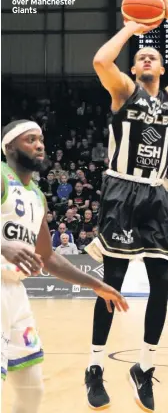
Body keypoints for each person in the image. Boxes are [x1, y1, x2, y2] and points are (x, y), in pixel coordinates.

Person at [85, 0, 168, 412]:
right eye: (141, 56)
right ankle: (95, 366)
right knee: (110, 285)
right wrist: (133, 27)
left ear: (161, 66)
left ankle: (144, 368)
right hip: (120, 191)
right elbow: (101, 60)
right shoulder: (123, 92)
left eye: (153, 55)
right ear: (134, 68)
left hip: (154, 195)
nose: (147, 58)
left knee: (159, 285)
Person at [1, 120, 128, 413]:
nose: (39, 144)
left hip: (15, 296)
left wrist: (95, 284)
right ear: (9, 147)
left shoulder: (37, 196)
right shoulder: (2, 177)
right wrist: (3, 246)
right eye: (29, 139)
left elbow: (47, 256)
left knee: (33, 387)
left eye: (40, 139)